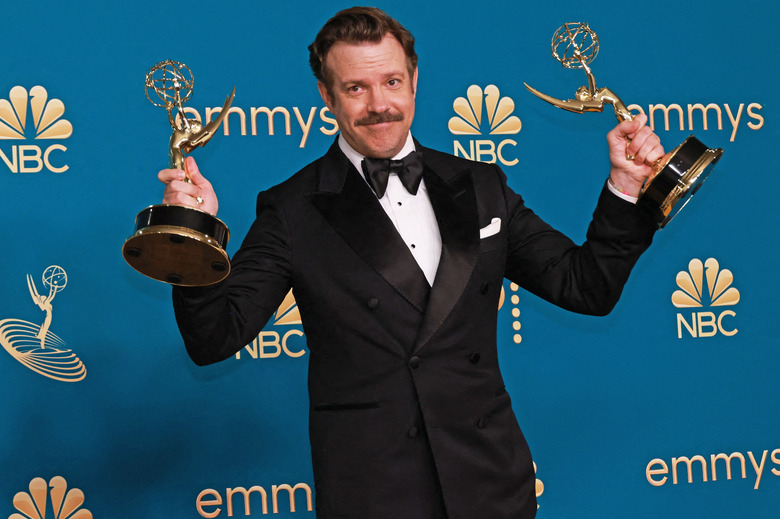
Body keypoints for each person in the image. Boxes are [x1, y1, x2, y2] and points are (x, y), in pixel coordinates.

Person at [158, 7, 664, 518]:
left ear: (415, 79)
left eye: (392, 81)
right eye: (356, 88)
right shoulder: (292, 208)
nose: (380, 105)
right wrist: (191, 236)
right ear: (325, 96)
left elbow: (587, 288)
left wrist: (624, 189)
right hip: (375, 492)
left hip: (492, 486)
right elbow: (214, 337)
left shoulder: (481, 185)